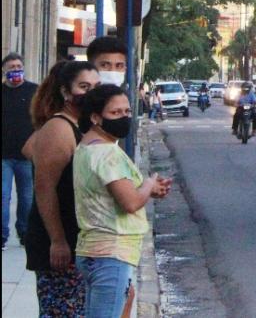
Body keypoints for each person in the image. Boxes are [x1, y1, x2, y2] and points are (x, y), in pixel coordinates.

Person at [73, 85, 171, 318]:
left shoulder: (86, 148)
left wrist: (148, 190)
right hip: (112, 253)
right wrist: (148, 184)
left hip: (94, 250)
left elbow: (110, 193)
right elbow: (130, 203)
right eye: (115, 113)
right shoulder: (107, 154)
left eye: (127, 112)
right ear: (96, 117)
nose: (124, 118)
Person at [22, 61, 99, 316]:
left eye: (96, 87)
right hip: (59, 242)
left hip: (78, 241)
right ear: (66, 92)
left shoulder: (80, 125)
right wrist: (57, 240)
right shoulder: (59, 128)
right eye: (84, 86)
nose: (91, 93)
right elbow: (45, 189)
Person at [2, 52, 38, 251]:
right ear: (4, 71)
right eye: (11, 67)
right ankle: (2, 235)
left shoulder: (34, 91)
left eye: (18, 66)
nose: (15, 70)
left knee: (26, 197)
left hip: (27, 156)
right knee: (3, 196)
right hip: (3, 156)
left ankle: (24, 232)